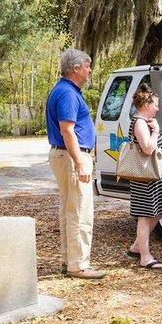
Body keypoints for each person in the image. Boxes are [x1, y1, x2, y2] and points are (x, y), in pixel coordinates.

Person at [46, 48, 105, 279]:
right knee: (80, 211)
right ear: (76, 68)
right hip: (72, 156)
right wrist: (80, 162)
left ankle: (69, 260)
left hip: (66, 155)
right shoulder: (68, 93)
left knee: (70, 210)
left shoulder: (63, 90)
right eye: (87, 66)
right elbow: (67, 130)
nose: (90, 70)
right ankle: (78, 265)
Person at [126, 83, 162, 270]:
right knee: (145, 214)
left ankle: (137, 246)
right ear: (146, 104)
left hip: (154, 175)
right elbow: (147, 148)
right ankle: (145, 256)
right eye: (155, 105)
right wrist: (157, 132)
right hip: (145, 177)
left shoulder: (146, 122)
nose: (158, 108)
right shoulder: (140, 123)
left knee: (159, 211)